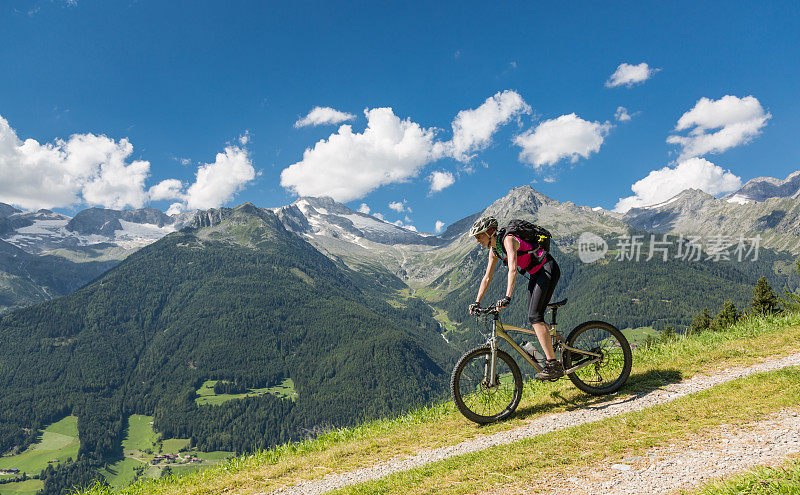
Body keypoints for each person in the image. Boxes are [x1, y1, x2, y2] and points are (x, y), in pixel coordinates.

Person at [468, 216, 563, 380]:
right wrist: (477, 302)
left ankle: (553, 364)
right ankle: (566, 346)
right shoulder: (494, 250)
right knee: (535, 318)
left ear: (490, 232)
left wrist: (507, 297)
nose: (478, 241)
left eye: (479, 236)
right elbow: (487, 278)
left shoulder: (508, 240)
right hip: (536, 274)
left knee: (535, 317)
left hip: (547, 269)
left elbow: (512, 268)